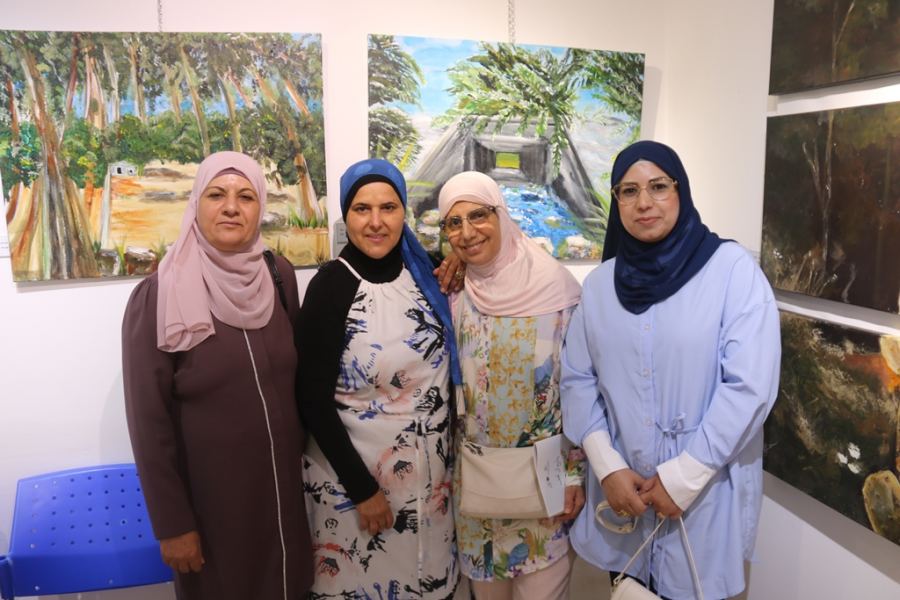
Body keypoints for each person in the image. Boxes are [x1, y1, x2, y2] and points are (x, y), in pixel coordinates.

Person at [560, 140, 781, 599]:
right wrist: (607, 466)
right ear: (617, 201)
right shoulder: (600, 286)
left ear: (681, 190)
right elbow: (578, 379)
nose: (644, 202)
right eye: (629, 191)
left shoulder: (732, 272)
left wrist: (684, 477)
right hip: (623, 495)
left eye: (658, 186)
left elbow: (750, 386)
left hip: (703, 495)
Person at [121, 151, 313, 599]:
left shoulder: (279, 276)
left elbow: (296, 381)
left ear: (260, 207)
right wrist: (173, 524)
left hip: (282, 500)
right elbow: (148, 423)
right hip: (211, 510)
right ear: (196, 203)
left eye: (246, 196)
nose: (231, 207)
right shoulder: (159, 295)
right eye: (216, 195)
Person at [296, 158, 460, 599]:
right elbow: (311, 400)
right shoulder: (332, 286)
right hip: (357, 489)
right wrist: (363, 490)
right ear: (345, 215)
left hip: (431, 489)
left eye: (388, 208)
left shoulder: (427, 274)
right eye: (361, 209)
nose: (375, 222)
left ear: (404, 212)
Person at [438, 171, 586, 600]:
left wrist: (576, 473)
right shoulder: (453, 292)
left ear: (501, 214)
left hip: (545, 490)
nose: (468, 232)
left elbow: (578, 388)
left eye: (479, 215)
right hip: (477, 491)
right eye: (453, 222)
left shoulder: (557, 290)